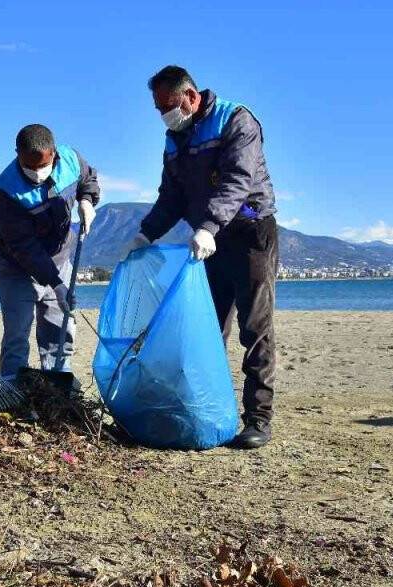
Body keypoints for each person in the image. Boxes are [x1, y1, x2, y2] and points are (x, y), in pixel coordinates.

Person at [124, 65, 279, 449]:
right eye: (159, 109)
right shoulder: (174, 139)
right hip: (208, 241)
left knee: (254, 327)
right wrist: (145, 233)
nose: (164, 115)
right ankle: (209, 410)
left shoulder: (236, 121)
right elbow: (172, 196)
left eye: (168, 106)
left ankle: (258, 418)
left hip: (249, 232)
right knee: (208, 328)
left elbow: (237, 181)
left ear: (191, 97)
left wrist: (209, 225)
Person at [0, 124, 100, 380]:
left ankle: (58, 386)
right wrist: (56, 284)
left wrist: (86, 200)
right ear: (17, 154)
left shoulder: (71, 159)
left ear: (54, 153)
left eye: (43, 165)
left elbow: (88, 180)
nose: (37, 173)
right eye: (29, 166)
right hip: (17, 267)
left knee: (59, 330)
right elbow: (24, 247)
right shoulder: (4, 191)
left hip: (60, 259)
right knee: (17, 334)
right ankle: (13, 388)